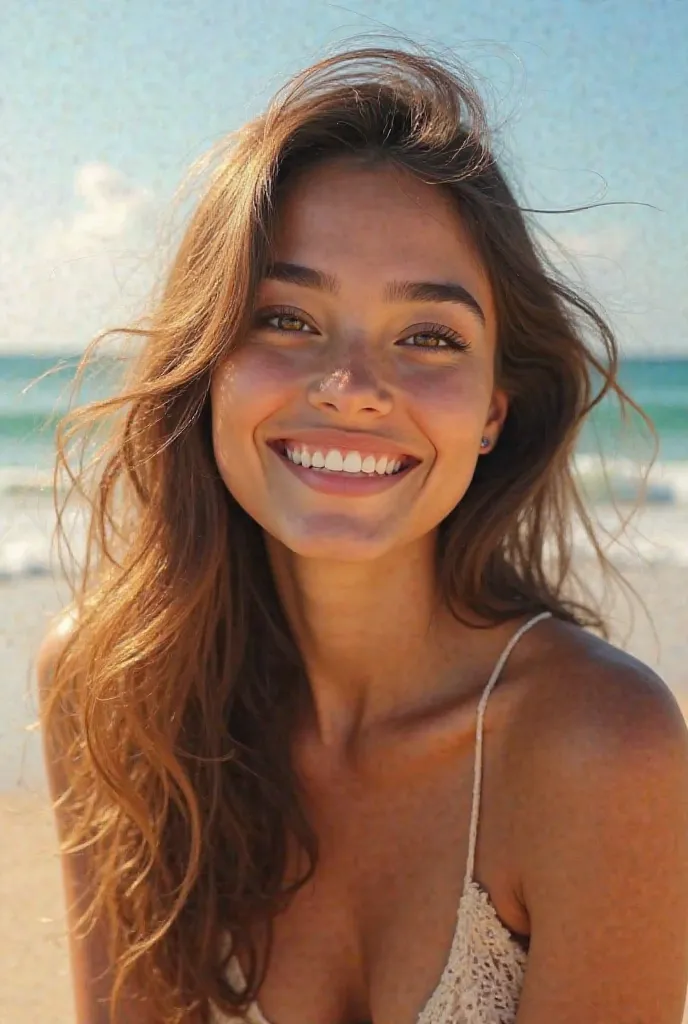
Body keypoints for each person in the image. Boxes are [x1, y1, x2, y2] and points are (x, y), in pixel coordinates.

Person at [37, 45, 688, 1024]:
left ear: (493, 411)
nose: (350, 384)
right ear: (208, 361)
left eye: (428, 335)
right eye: (287, 318)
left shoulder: (599, 746)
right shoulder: (116, 686)